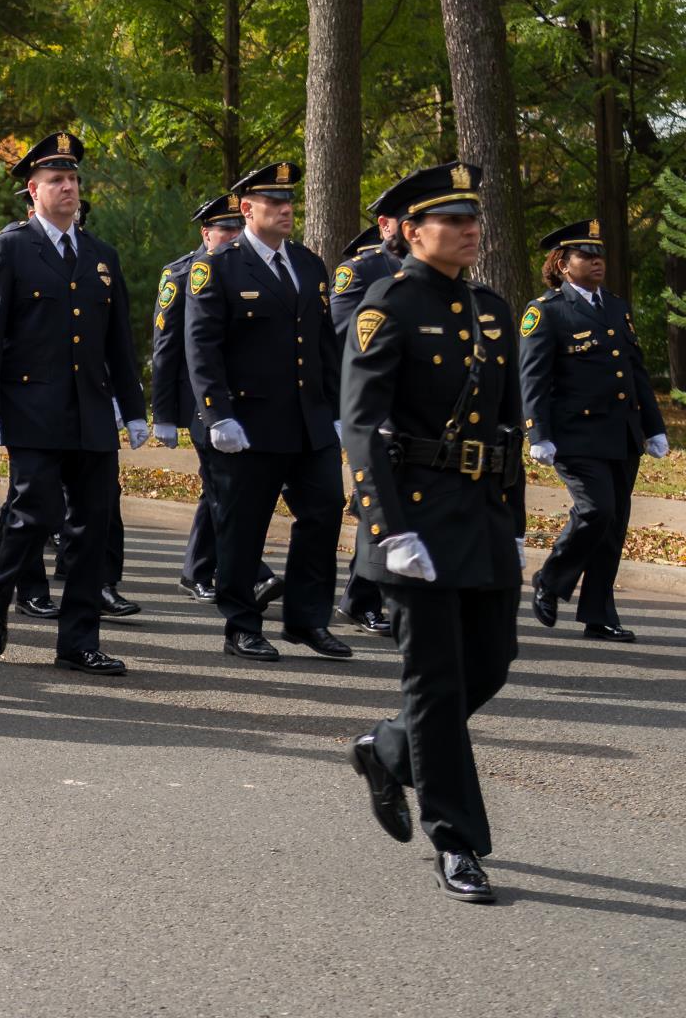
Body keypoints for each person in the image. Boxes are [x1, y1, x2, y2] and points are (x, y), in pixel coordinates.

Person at [340, 162, 524, 904]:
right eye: (451, 220)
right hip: (413, 515)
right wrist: (387, 531)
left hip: (479, 514)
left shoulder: (492, 308)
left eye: (472, 218)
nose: (469, 229)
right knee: (439, 683)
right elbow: (361, 427)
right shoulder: (388, 304)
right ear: (413, 232)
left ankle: (387, 749)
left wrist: (511, 519)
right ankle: (456, 840)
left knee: (493, 663)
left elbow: (507, 423)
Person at [0, 133, 149, 677]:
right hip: (33, 408)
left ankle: (78, 642)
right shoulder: (10, 248)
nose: (67, 187)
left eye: (72, 179)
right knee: (35, 510)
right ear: (33, 190)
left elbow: (119, 340)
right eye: (55, 180)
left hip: (90, 411)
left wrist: (133, 407)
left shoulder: (100, 256)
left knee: (93, 526)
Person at [184, 162, 349, 663]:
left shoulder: (307, 262)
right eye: (273, 202)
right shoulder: (217, 266)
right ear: (246, 208)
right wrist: (217, 415)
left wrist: (336, 407)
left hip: (308, 421)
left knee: (323, 513)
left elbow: (323, 342)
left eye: (289, 201)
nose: (285, 209)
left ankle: (306, 618)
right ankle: (242, 623)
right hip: (248, 423)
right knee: (242, 525)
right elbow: (202, 347)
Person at [521, 218, 666, 644]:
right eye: (586, 254)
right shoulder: (546, 311)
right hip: (574, 436)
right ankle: (551, 578)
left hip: (621, 434)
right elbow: (533, 378)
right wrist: (538, 434)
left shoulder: (616, 307)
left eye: (600, 253)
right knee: (595, 510)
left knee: (613, 524)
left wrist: (654, 428)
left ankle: (599, 614)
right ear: (563, 264)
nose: (597, 260)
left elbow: (636, 372)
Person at [150, 192, 276, 604]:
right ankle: (254, 573)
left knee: (218, 489)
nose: (235, 236)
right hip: (199, 403)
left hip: (242, 401)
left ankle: (197, 570)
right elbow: (166, 348)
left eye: (238, 228)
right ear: (207, 234)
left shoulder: (254, 270)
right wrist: (164, 415)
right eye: (226, 230)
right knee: (224, 486)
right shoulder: (183, 275)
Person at [325, 194, 407, 636]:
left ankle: (364, 597)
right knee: (377, 499)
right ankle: (361, 599)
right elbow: (340, 344)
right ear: (386, 224)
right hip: (375, 411)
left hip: (417, 415)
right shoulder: (358, 271)